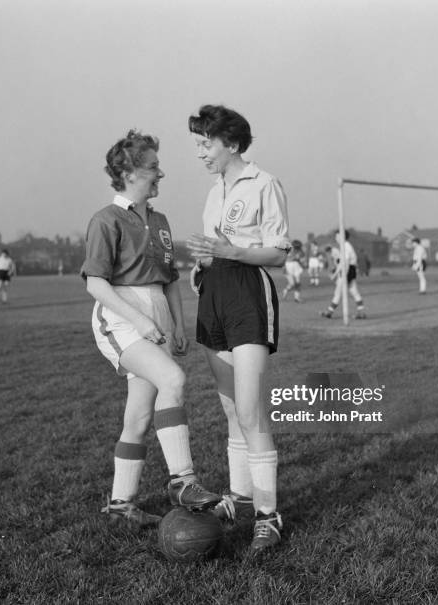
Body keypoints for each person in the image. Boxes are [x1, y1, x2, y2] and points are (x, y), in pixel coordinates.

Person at [81, 130, 220, 529]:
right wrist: (140, 320)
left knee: (139, 417)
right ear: (128, 173)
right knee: (173, 378)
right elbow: (95, 283)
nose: (161, 174)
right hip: (121, 316)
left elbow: (170, 280)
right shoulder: (106, 220)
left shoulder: (159, 220)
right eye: (153, 167)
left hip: (157, 312)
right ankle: (183, 481)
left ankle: (121, 505)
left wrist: (177, 323)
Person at [187, 104, 290, 552]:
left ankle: (268, 515)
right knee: (230, 408)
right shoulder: (214, 191)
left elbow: (278, 253)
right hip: (214, 295)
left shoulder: (264, 183)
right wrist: (205, 262)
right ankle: (239, 496)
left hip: (249, 292)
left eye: (205, 143)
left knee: (249, 410)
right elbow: (216, 249)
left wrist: (231, 252)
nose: (200, 153)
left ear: (230, 142)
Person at [321, 230, 366, 319]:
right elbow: (342, 263)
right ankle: (361, 312)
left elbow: (345, 263)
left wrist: (341, 275)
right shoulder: (344, 246)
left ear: (342, 237)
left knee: (338, 292)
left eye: (337, 236)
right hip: (349, 270)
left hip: (348, 270)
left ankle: (329, 312)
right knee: (354, 291)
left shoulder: (346, 246)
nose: (336, 238)